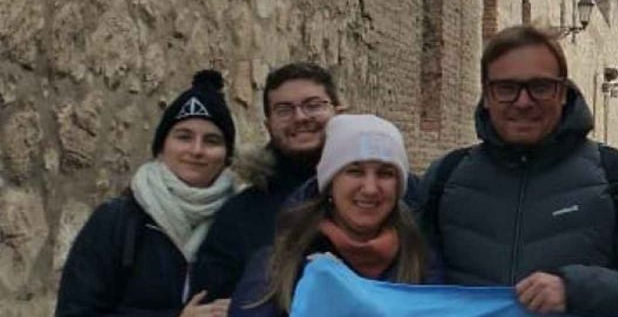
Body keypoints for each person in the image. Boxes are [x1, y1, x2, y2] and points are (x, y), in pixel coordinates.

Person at [421, 25, 618, 315]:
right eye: (507, 88)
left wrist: (576, 290)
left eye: (540, 87)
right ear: (486, 95)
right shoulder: (444, 178)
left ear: (562, 93)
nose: (523, 102)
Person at [57, 70, 238, 317]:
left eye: (212, 141)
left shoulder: (240, 223)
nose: (197, 150)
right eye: (184, 137)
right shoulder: (116, 222)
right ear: (161, 148)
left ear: (227, 157)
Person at [229, 114, 437, 317]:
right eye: (355, 172)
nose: (370, 189)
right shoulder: (276, 268)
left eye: (385, 174)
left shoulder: (422, 263)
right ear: (330, 184)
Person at [194, 63, 341, 300]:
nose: (300, 117)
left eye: (313, 105)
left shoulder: (381, 195)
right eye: (284, 110)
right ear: (268, 125)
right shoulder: (239, 215)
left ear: (338, 112)